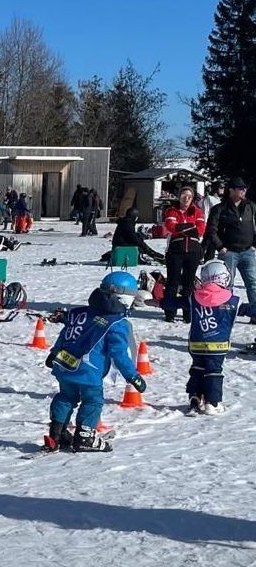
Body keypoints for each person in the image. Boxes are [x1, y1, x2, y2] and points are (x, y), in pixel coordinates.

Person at [44, 272, 145, 453]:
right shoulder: (117, 323)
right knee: (93, 401)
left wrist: (54, 353)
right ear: (125, 298)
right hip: (89, 371)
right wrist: (133, 376)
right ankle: (85, 437)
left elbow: (66, 335)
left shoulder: (78, 313)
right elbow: (119, 355)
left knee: (66, 396)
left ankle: (56, 434)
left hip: (64, 365)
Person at [185, 261, 253, 415]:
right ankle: (212, 402)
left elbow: (176, 302)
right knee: (214, 373)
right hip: (218, 347)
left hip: (196, 346)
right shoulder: (233, 301)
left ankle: (195, 397)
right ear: (224, 278)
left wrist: (160, 302)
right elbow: (249, 309)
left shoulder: (194, 298)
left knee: (197, 369)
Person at [203, 177, 256, 318]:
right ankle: (226, 314)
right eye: (240, 188)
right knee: (227, 285)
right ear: (231, 190)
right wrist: (220, 246)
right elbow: (211, 230)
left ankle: (255, 314)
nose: (244, 191)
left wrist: (254, 245)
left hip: (248, 251)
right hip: (229, 252)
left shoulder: (250, 206)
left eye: (245, 188)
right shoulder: (219, 208)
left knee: (253, 284)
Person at [161, 186, 206, 322]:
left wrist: (181, 228)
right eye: (183, 195)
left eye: (189, 196)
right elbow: (171, 226)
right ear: (179, 197)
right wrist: (190, 227)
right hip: (175, 251)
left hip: (193, 251)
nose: (186, 199)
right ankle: (170, 312)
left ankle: (188, 312)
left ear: (192, 199)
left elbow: (200, 230)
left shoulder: (197, 211)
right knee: (172, 281)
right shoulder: (172, 211)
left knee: (189, 282)